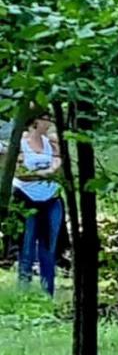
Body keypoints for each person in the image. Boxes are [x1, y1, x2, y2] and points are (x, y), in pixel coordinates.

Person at [12, 111, 63, 296]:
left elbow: (59, 165)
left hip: (50, 198)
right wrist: (41, 174)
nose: (49, 123)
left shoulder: (52, 144)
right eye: (45, 119)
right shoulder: (21, 144)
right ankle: (23, 292)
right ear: (35, 121)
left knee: (48, 248)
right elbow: (18, 172)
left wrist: (53, 169)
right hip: (26, 198)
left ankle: (47, 292)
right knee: (27, 248)